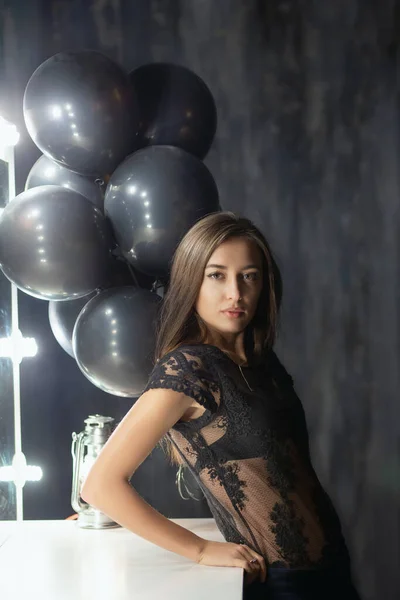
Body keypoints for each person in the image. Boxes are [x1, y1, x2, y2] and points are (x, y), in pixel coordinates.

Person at [81, 211, 361, 600]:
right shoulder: (188, 370)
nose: (236, 293)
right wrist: (199, 549)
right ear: (191, 281)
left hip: (330, 568)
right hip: (280, 583)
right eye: (217, 275)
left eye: (249, 276)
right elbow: (100, 485)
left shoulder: (260, 361)